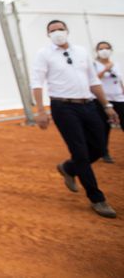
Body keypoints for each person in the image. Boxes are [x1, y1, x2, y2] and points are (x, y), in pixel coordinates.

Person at [31, 20, 120, 218]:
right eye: (52, 31)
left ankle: (68, 168)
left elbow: (94, 81)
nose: (57, 33)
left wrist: (107, 106)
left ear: (67, 31)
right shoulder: (44, 54)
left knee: (99, 148)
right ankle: (97, 199)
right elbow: (37, 82)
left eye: (60, 29)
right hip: (63, 107)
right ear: (48, 35)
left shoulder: (81, 52)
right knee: (80, 152)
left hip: (88, 104)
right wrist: (40, 110)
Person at [94, 41, 124, 163]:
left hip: (119, 98)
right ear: (97, 51)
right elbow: (94, 80)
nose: (104, 51)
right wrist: (105, 69)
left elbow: (120, 79)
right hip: (103, 99)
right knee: (103, 126)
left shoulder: (115, 64)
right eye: (101, 49)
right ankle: (104, 152)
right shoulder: (94, 64)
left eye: (106, 48)